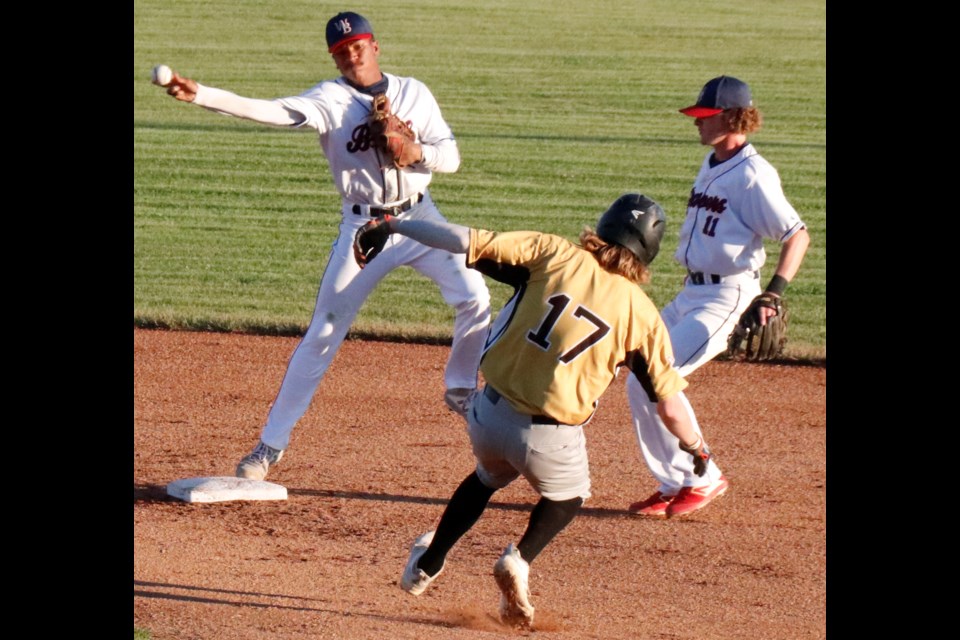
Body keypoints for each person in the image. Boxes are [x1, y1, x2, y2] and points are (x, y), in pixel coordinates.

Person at [354, 193, 716, 629]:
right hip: (549, 438)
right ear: (649, 252)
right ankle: (520, 560)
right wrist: (696, 448)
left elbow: (460, 238)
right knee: (569, 496)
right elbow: (671, 406)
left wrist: (394, 226)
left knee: (487, 476)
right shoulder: (642, 316)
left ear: (602, 227)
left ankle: (428, 564)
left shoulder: (554, 253)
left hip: (487, 416)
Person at [158, 11, 491, 480]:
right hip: (364, 231)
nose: (351, 55)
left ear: (375, 46)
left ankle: (460, 388)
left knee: (474, 294)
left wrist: (417, 153)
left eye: (357, 45)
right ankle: (269, 446)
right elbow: (270, 110)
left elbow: (451, 157)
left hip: (421, 218)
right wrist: (202, 96)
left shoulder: (415, 92)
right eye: (341, 51)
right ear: (334, 59)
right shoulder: (329, 100)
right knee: (324, 333)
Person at [626, 76, 810, 518]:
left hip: (728, 295)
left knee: (659, 375)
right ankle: (676, 480)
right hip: (692, 293)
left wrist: (771, 295)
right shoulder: (713, 162)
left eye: (705, 117)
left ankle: (705, 476)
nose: (697, 124)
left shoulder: (753, 175)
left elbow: (796, 235)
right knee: (638, 377)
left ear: (731, 118)